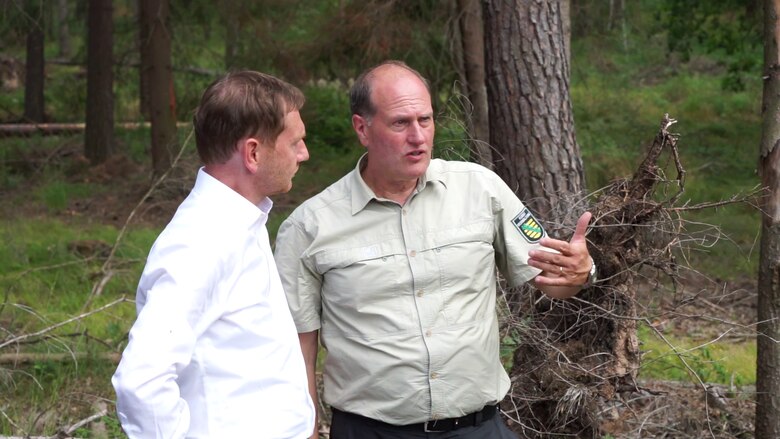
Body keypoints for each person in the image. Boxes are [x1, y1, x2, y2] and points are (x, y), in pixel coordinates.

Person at [274, 60, 596, 439]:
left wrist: (580, 272)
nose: (418, 137)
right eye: (400, 123)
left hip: (478, 428)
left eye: (424, 120)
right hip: (371, 432)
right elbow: (297, 345)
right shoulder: (309, 227)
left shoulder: (481, 190)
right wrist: (306, 432)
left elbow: (556, 281)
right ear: (362, 128)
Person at [112, 70, 315, 439]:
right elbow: (141, 381)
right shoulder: (201, 242)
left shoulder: (240, 222)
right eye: (295, 142)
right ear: (253, 152)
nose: (304, 153)